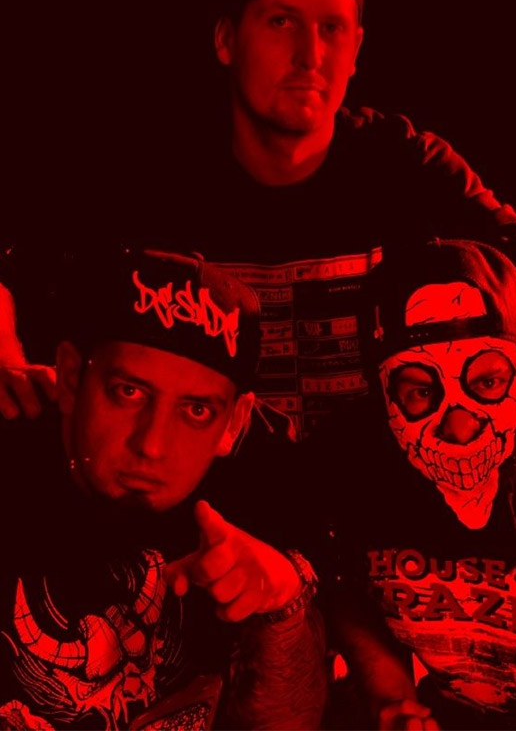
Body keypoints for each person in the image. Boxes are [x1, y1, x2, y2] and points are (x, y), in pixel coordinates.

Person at [2, 0, 516, 441]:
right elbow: (13, 267)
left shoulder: (403, 163)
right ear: (226, 40)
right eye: (282, 22)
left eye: (331, 28)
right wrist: (5, 360)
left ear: (356, 50)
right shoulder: (151, 171)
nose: (309, 54)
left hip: (374, 503)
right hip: (203, 501)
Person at [0, 248, 325, 730]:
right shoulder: (14, 463)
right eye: (129, 392)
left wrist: (282, 603)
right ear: (70, 377)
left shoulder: (263, 483)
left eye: (196, 411)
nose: (152, 446)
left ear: (233, 422)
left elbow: (287, 723)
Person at [312, 238, 516, 730]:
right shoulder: (355, 463)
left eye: (487, 382)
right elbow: (346, 585)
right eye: (421, 391)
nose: (459, 429)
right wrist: (389, 694)